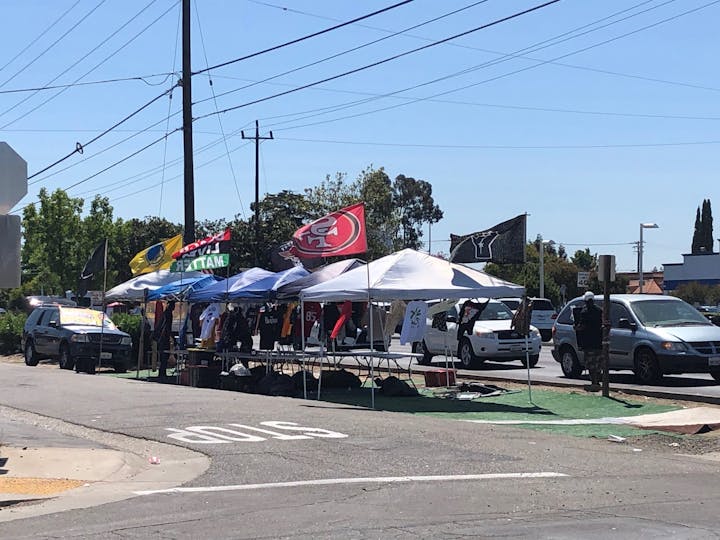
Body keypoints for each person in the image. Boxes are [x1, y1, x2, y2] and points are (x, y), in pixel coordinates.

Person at [574, 291, 603, 392]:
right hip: (599, 342)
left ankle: (594, 382)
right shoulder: (600, 311)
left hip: (588, 343)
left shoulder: (584, 312)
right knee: (598, 363)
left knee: (591, 363)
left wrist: (576, 328)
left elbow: (582, 326)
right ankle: (597, 382)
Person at [154, 301, 175, 380]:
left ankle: (162, 372)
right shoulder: (168, 314)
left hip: (163, 337)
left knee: (163, 356)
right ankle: (162, 373)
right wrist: (168, 336)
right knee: (164, 356)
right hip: (164, 338)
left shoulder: (166, 313)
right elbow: (166, 327)